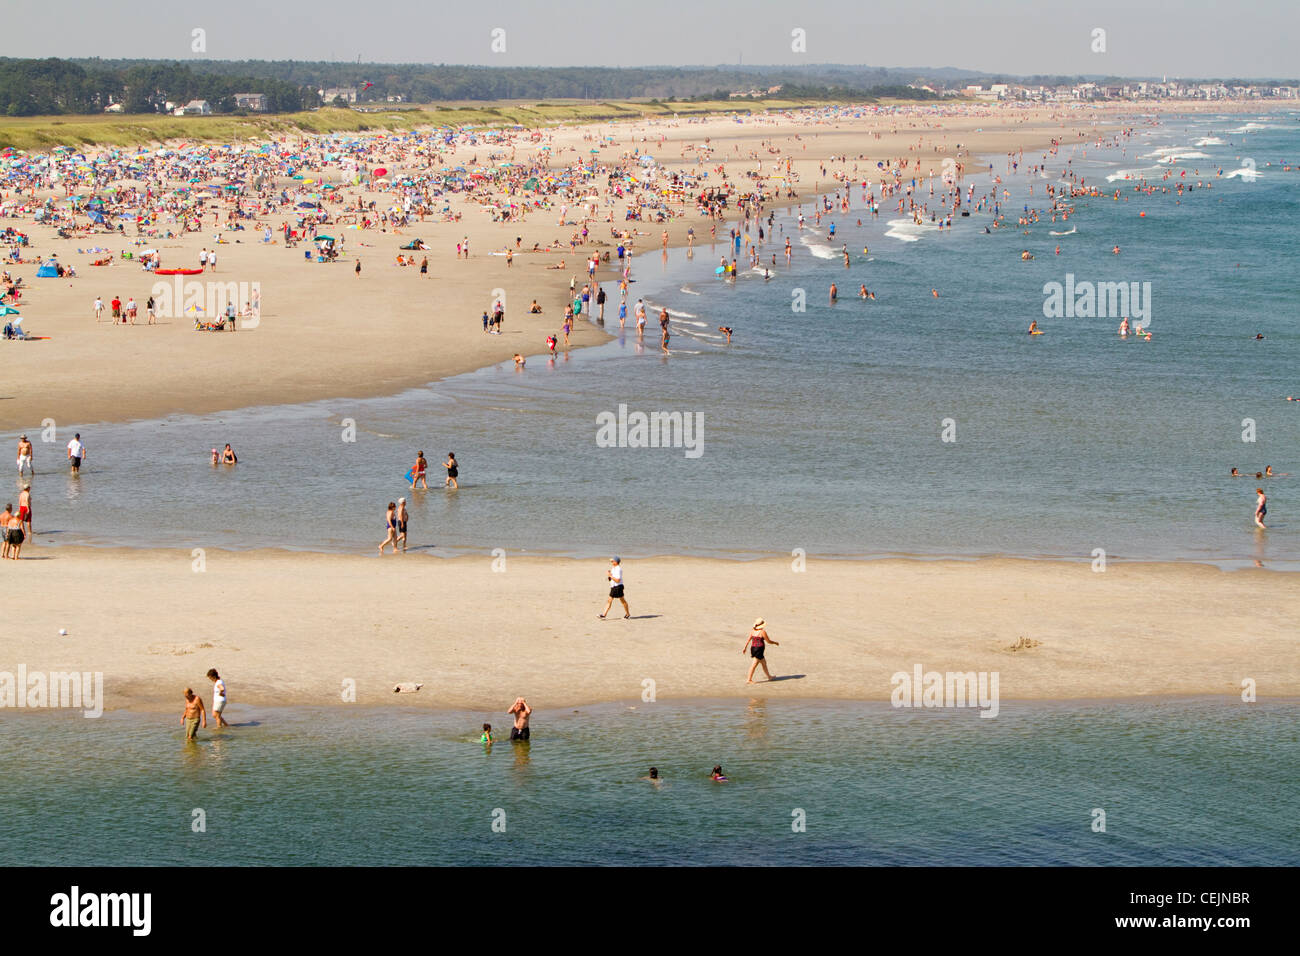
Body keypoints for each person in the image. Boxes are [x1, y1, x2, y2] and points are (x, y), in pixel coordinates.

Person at [743, 618, 779, 684]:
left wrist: (745, 648)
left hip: (753, 648)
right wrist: (775, 643)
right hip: (758, 650)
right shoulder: (762, 632)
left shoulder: (753, 630)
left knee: (764, 663)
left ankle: (769, 677)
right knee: (754, 664)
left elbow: (748, 640)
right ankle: (749, 679)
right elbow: (768, 641)